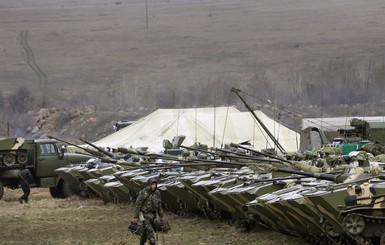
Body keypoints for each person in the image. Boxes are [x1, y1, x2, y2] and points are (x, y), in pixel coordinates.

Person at [132, 177, 164, 245]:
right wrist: (135, 216)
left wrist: (161, 215)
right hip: (145, 216)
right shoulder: (143, 192)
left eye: (155, 184)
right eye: (152, 184)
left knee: (145, 233)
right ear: (149, 184)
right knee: (150, 231)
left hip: (153, 216)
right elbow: (138, 205)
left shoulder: (157, 193)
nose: (154, 186)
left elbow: (159, 205)